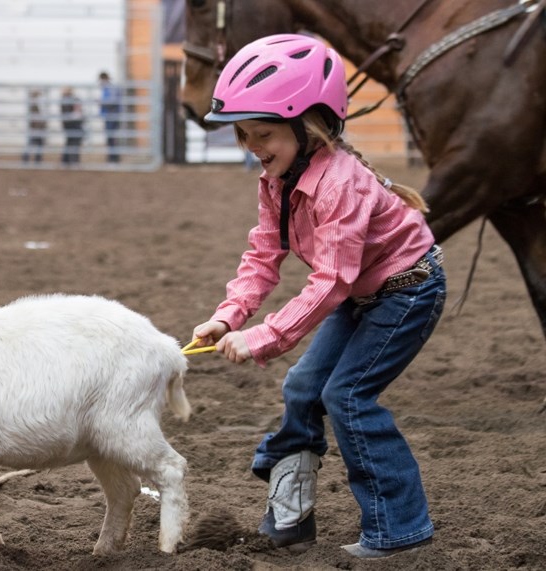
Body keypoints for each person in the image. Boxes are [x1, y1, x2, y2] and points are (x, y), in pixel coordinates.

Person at [190, 34, 446, 559]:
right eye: (244, 135)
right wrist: (227, 317)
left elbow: (331, 282)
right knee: (303, 389)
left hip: (408, 291)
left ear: (310, 125)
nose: (254, 146)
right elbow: (264, 254)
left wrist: (262, 335)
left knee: (347, 397)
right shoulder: (277, 178)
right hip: (364, 293)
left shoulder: (341, 184)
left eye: (264, 133)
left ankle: (400, 530)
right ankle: (292, 516)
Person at [98, 71, 122, 162]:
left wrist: (101, 102)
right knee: (110, 137)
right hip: (108, 115)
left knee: (112, 137)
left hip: (112, 115)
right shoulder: (105, 89)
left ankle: (114, 158)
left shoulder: (111, 88)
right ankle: (112, 157)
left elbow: (113, 101)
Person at [60, 87, 84, 165]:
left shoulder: (67, 99)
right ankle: (72, 160)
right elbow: (76, 113)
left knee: (70, 142)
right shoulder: (68, 100)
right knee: (73, 142)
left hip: (70, 124)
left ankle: (67, 160)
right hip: (72, 124)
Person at [22, 89, 46, 164]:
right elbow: (34, 118)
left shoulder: (34, 105)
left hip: (36, 127)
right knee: (35, 143)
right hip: (36, 128)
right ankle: (33, 159)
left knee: (35, 143)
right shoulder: (33, 106)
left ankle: (34, 158)